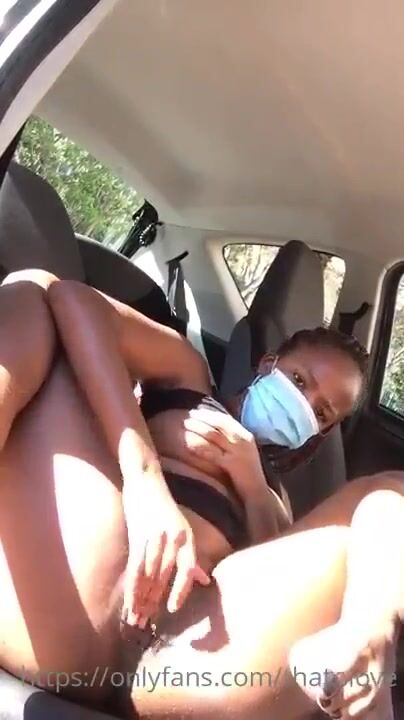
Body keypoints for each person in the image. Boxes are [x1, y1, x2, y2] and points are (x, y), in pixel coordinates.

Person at [0, 268, 401, 720]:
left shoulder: (273, 495)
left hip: (180, 662)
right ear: (268, 364)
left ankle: (369, 643)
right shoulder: (189, 377)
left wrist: (253, 487)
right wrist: (146, 482)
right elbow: (74, 299)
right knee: (33, 288)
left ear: (322, 432)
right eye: (299, 379)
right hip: (65, 593)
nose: (302, 404)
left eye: (321, 412)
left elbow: (263, 588)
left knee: (390, 494)